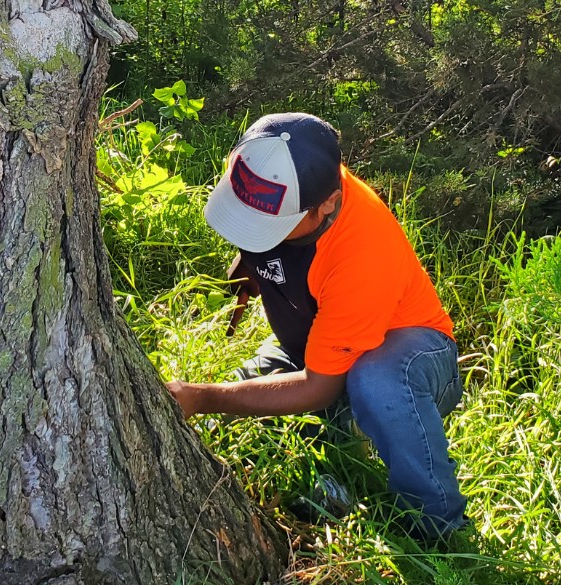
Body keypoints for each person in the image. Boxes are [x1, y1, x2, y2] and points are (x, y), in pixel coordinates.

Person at [165, 113, 467, 539]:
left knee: (374, 385)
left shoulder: (361, 252)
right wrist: (249, 267)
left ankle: (438, 530)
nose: (256, 235)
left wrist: (205, 398)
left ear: (327, 203)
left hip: (410, 353)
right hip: (317, 342)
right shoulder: (258, 167)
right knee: (238, 400)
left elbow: (318, 385)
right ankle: (336, 465)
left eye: (270, 227)